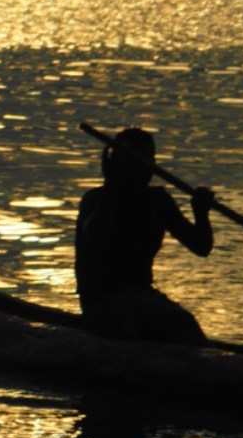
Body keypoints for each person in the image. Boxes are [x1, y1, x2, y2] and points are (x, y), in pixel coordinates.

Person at [75, 127, 215, 345]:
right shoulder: (96, 200)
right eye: (132, 159)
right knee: (176, 322)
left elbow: (200, 246)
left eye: (147, 158)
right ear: (116, 162)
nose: (141, 167)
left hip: (142, 296)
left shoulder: (157, 200)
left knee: (185, 324)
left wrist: (201, 212)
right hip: (102, 303)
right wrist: (112, 187)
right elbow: (96, 238)